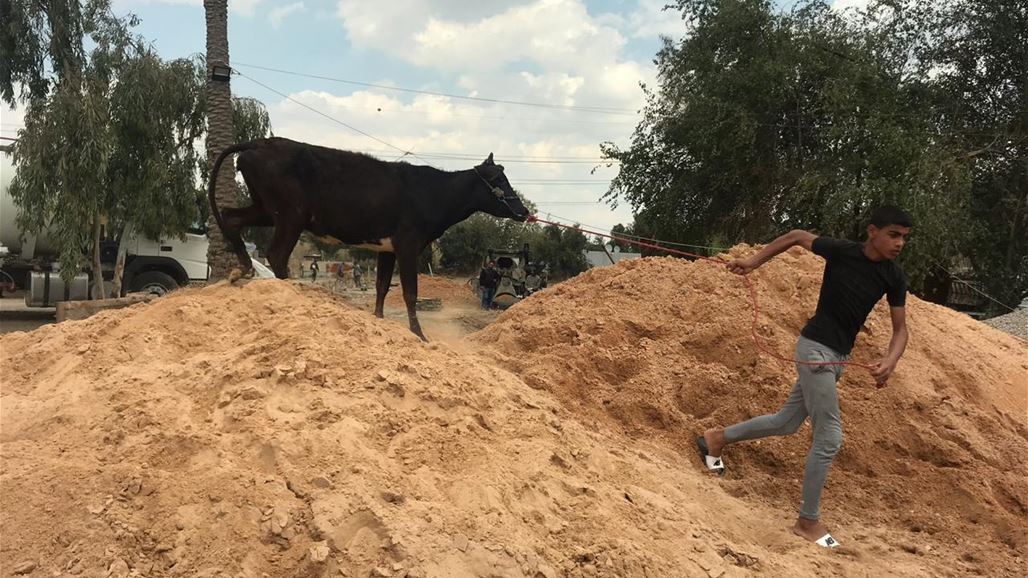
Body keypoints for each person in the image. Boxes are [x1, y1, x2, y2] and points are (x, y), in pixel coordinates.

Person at [697, 205, 912, 549]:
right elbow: (796, 236)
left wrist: (891, 360)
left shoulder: (894, 276)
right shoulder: (842, 251)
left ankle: (715, 439)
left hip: (838, 358)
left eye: (904, 237)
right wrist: (752, 262)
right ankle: (807, 522)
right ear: (873, 231)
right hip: (814, 350)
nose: (900, 243)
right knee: (829, 438)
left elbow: (901, 331)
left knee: (787, 422)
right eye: (893, 235)